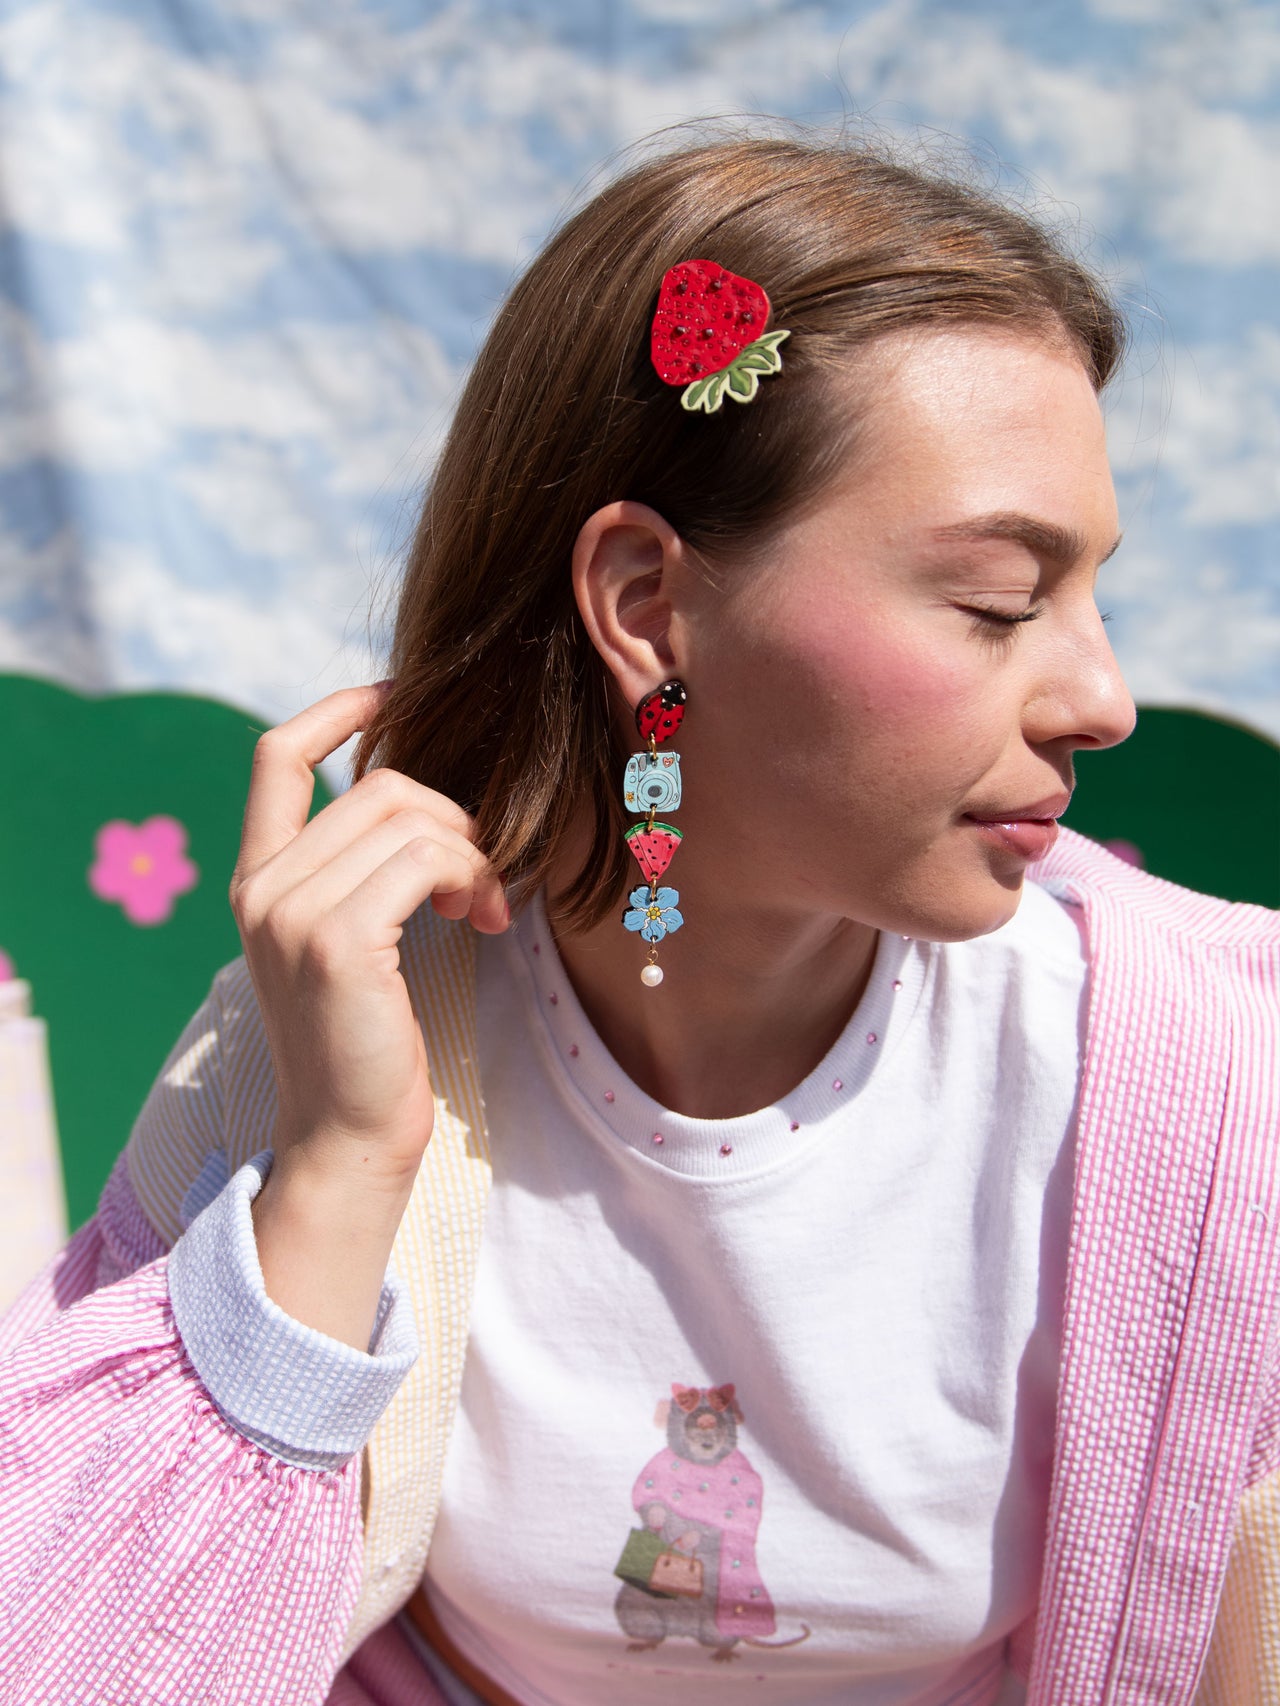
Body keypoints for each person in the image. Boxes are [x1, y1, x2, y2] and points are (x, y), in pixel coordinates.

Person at [1, 133, 1277, 1706]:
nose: (1102, 696)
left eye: (1092, 595)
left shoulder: (1218, 1081)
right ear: (645, 602)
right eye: (1000, 602)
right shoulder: (331, 1040)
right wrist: (338, 1168)